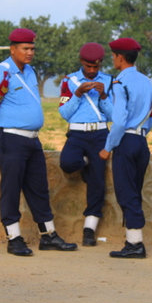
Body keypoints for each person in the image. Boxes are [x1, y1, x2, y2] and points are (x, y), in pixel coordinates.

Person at [0, 28, 77, 256]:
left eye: (32, 48)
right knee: (11, 188)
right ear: (12, 49)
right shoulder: (2, 72)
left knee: (39, 188)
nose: (30, 52)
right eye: (25, 48)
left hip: (32, 140)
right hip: (9, 137)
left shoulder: (30, 71)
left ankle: (48, 235)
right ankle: (14, 238)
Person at [99, 37, 152, 258]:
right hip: (141, 140)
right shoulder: (147, 82)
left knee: (126, 193)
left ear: (120, 57)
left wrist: (108, 146)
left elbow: (120, 121)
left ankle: (135, 243)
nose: (112, 59)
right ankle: (133, 239)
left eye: (113, 55)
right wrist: (140, 133)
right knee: (134, 190)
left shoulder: (119, 83)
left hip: (125, 140)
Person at [58, 42, 113, 246]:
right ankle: (84, 163)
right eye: (88, 66)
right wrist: (78, 93)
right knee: (67, 162)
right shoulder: (69, 81)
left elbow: (114, 115)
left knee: (97, 181)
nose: (92, 71)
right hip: (77, 133)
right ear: (82, 62)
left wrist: (104, 96)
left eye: (95, 67)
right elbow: (64, 113)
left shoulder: (108, 81)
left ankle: (90, 228)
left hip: (99, 133)